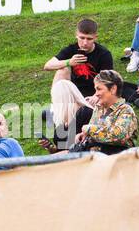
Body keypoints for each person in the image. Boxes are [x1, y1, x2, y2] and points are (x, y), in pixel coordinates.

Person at [41, 18, 126, 150]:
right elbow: (47, 65)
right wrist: (69, 62)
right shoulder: (71, 49)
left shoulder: (103, 54)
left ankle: (60, 120)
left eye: (89, 39)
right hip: (73, 95)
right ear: (76, 35)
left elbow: (109, 81)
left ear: (95, 37)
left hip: (92, 96)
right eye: (82, 38)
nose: (85, 42)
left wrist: (96, 96)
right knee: (62, 70)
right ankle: (56, 108)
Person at [72, 71, 138, 154]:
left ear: (113, 89)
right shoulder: (98, 108)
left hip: (118, 162)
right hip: (96, 160)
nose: (96, 94)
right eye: (95, 89)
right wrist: (84, 136)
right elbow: (95, 132)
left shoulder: (125, 110)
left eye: (99, 89)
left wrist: (89, 129)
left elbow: (118, 136)